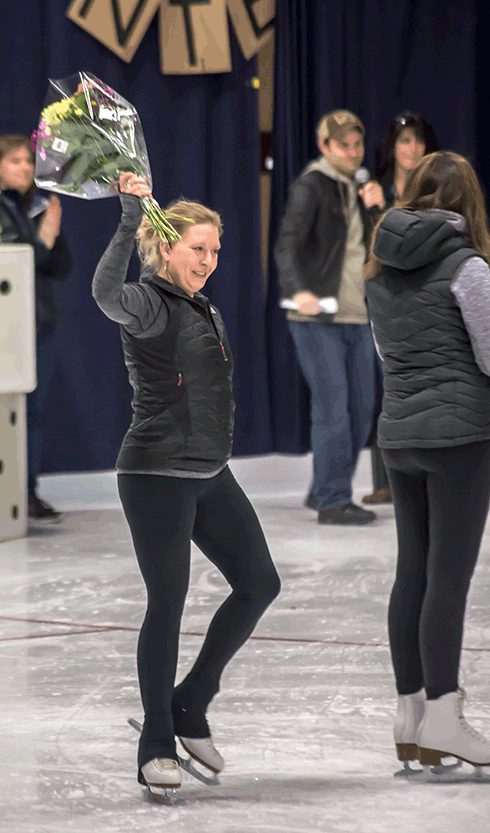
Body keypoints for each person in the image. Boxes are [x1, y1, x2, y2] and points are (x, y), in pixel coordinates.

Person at [92, 172, 281, 792]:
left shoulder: (203, 306)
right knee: (168, 602)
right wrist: (126, 216)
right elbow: (103, 293)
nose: (209, 259)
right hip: (154, 475)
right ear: (167, 247)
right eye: (198, 247)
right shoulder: (148, 303)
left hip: (208, 473)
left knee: (258, 583)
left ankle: (191, 702)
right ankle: (154, 742)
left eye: (216, 250)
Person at [365, 151, 490, 771]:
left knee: (412, 571)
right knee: (448, 577)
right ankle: (444, 715)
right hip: (460, 439)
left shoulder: (379, 266)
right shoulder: (468, 267)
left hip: (399, 435)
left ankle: (411, 716)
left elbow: (386, 355)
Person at [275, 110, 385, 525]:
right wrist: (300, 290)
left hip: (360, 314)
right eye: (344, 145)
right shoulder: (313, 185)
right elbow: (288, 243)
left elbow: (376, 248)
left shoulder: (360, 187)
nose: (353, 153)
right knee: (334, 406)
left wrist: (378, 209)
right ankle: (333, 499)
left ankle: (324, 486)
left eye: (357, 145)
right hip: (318, 315)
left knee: (361, 407)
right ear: (325, 146)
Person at [0, 135, 71, 525]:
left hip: (39, 324)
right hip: (5, 329)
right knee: (6, 412)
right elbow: (14, 266)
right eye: (15, 161)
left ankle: (27, 493)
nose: (26, 168)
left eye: (29, 161)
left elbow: (59, 268)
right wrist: (45, 236)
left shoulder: (33, 208)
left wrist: (53, 233)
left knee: (33, 414)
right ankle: (6, 494)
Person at [362, 112, 440, 505]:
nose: (413, 149)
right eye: (405, 141)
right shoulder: (375, 189)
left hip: (425, 299)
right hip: (384, 300)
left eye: (419, 141)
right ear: (392, 146)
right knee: (385, 388)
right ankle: (385, 481)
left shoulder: (434, 192)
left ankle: (426, 471)